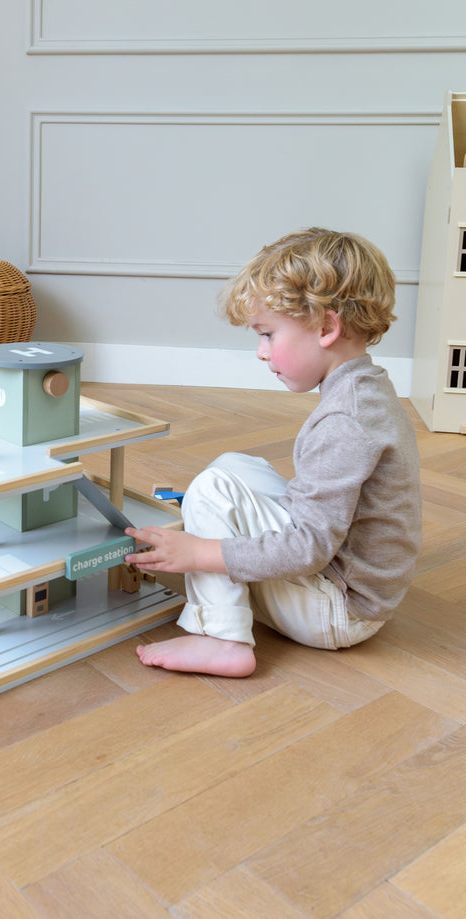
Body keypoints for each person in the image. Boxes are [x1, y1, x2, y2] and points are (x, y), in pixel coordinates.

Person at [125, 227, 421, 677]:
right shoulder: (367, 387)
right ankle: (216, 535)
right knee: (234, 467)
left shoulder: (345, 421)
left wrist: (202, 554)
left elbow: (310, 548)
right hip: (358, 592)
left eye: (267, 334)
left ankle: (221, 638)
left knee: (212, 488)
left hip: (337, 611)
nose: (262, 353)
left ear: (326, 327)